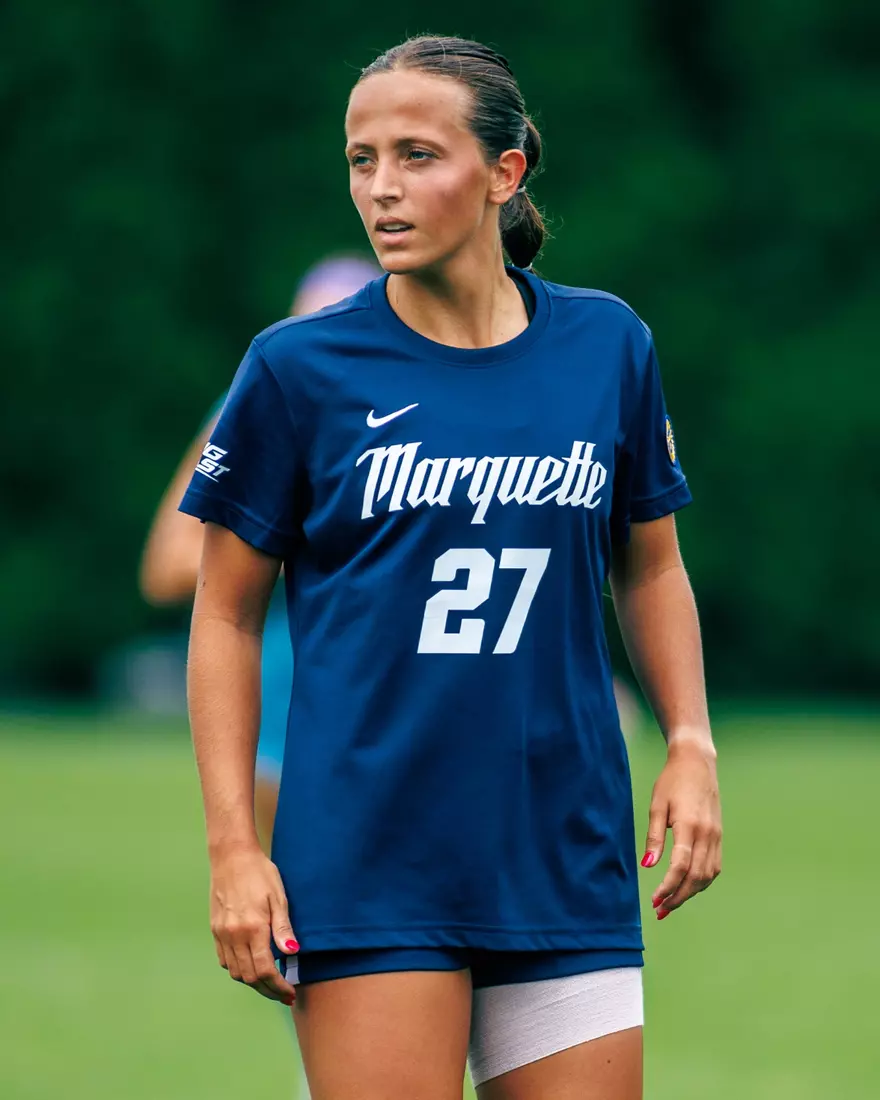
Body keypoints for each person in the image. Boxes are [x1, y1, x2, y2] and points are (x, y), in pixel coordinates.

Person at [180, 35, 722, 1100]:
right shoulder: (296, 369)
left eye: (415, 155)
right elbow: (225, 615)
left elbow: (649, 566)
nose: (380, 187)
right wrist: (235, 849)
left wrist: (691, 740)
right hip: (368, 855)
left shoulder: (607, 344)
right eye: (359, 158)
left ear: (503, 172)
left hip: (563, 848)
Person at [140, 255, 378, 847]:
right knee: (290, 923)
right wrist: (293, 541)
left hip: (395, 711)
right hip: (279, 722)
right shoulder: (254, 404)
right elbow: (167, 569)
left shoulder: (420, 410)